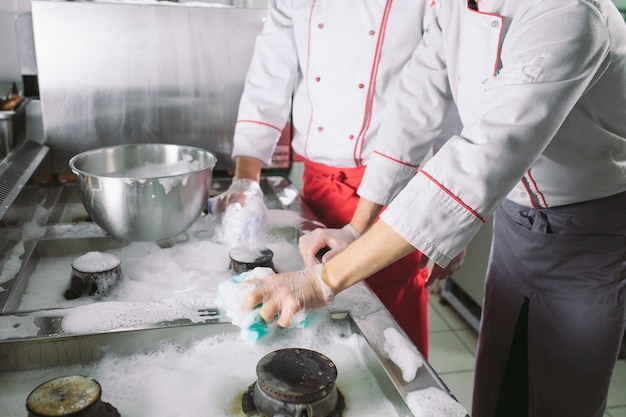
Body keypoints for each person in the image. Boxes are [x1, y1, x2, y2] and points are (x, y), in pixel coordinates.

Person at [240, 0, 626, 416]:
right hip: (515, 222)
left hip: (589, 230)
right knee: (498, 384)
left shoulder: (567, 13)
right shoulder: (457, 8)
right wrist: (357, 227)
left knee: (563, 395)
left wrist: (321, 282)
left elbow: (478, 161)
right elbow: (414, 106)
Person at [212, 0, 463, 356]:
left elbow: (442, 96)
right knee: (313, 326)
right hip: (316, 187)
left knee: (390, 337)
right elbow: (267, 78)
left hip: (393, 198)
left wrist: (451, 216)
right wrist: (245, 181)